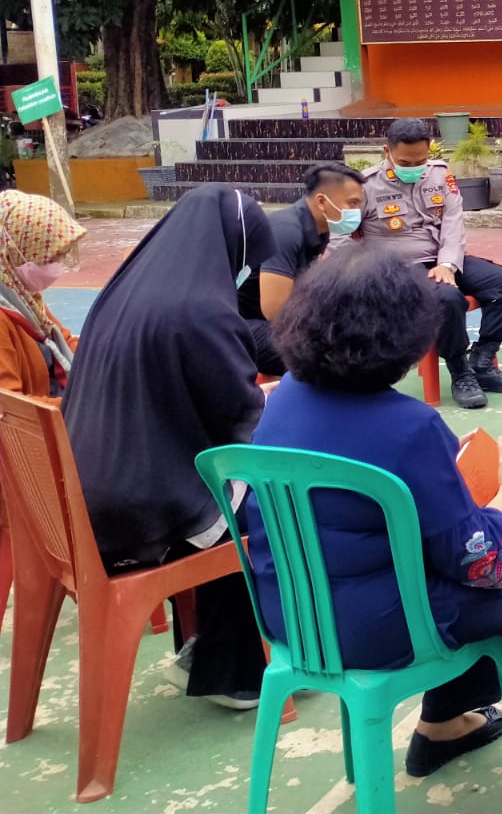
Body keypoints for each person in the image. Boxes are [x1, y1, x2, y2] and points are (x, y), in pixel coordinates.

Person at [248, 250, 502, 813]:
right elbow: (484, 565)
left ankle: (444, 725)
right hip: (376, 628)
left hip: (292, 617)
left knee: (422, 560)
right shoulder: (410, 427)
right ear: (405, 336)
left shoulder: (281, 400)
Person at [63, 184, 276, 708]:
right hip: (137, 508)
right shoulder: (203, 310)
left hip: (86, 487)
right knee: (274, 497)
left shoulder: (124, 290)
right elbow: (238, 411)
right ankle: (235, 670)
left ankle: (199, 647)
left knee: (221, 476)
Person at [356, 119, 502, 408]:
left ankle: (483, 361)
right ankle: (460, 371)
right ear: (387, 151)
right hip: (397, 269)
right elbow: (346, 238)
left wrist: (447, 264)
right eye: (405, 161)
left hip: (442, 259)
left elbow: (452, 223)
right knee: (448, 298)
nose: (414, 167)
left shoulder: (440, 174)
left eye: (421, 160)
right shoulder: (365, 185)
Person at [237, 163, 365, 376]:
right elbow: (274, 310)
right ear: (322, 201)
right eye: (352, 204)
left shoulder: (320, 230)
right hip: (239, 327)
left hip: (269, 323)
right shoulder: (286, 231)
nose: (356, 212)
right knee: (327, 351)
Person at [0, 191, 85, 401]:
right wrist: (82, 409)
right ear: (15, 253)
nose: (58, 266)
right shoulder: (4, 317)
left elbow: (62, 340)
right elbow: (12, 408)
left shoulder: (22, 298)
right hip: (37, 426)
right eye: (49, 260)